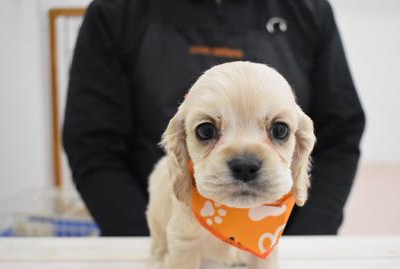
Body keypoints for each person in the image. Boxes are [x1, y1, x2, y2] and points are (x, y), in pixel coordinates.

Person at [63, 0, 365, 236]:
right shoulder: (114, 12)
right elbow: (92, 144)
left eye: (278, 130)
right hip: (155, 228)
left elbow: (340, 136)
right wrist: (154, 242)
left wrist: (307, 239)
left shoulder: (309, 11)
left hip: (281, 236)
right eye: (207, 131)